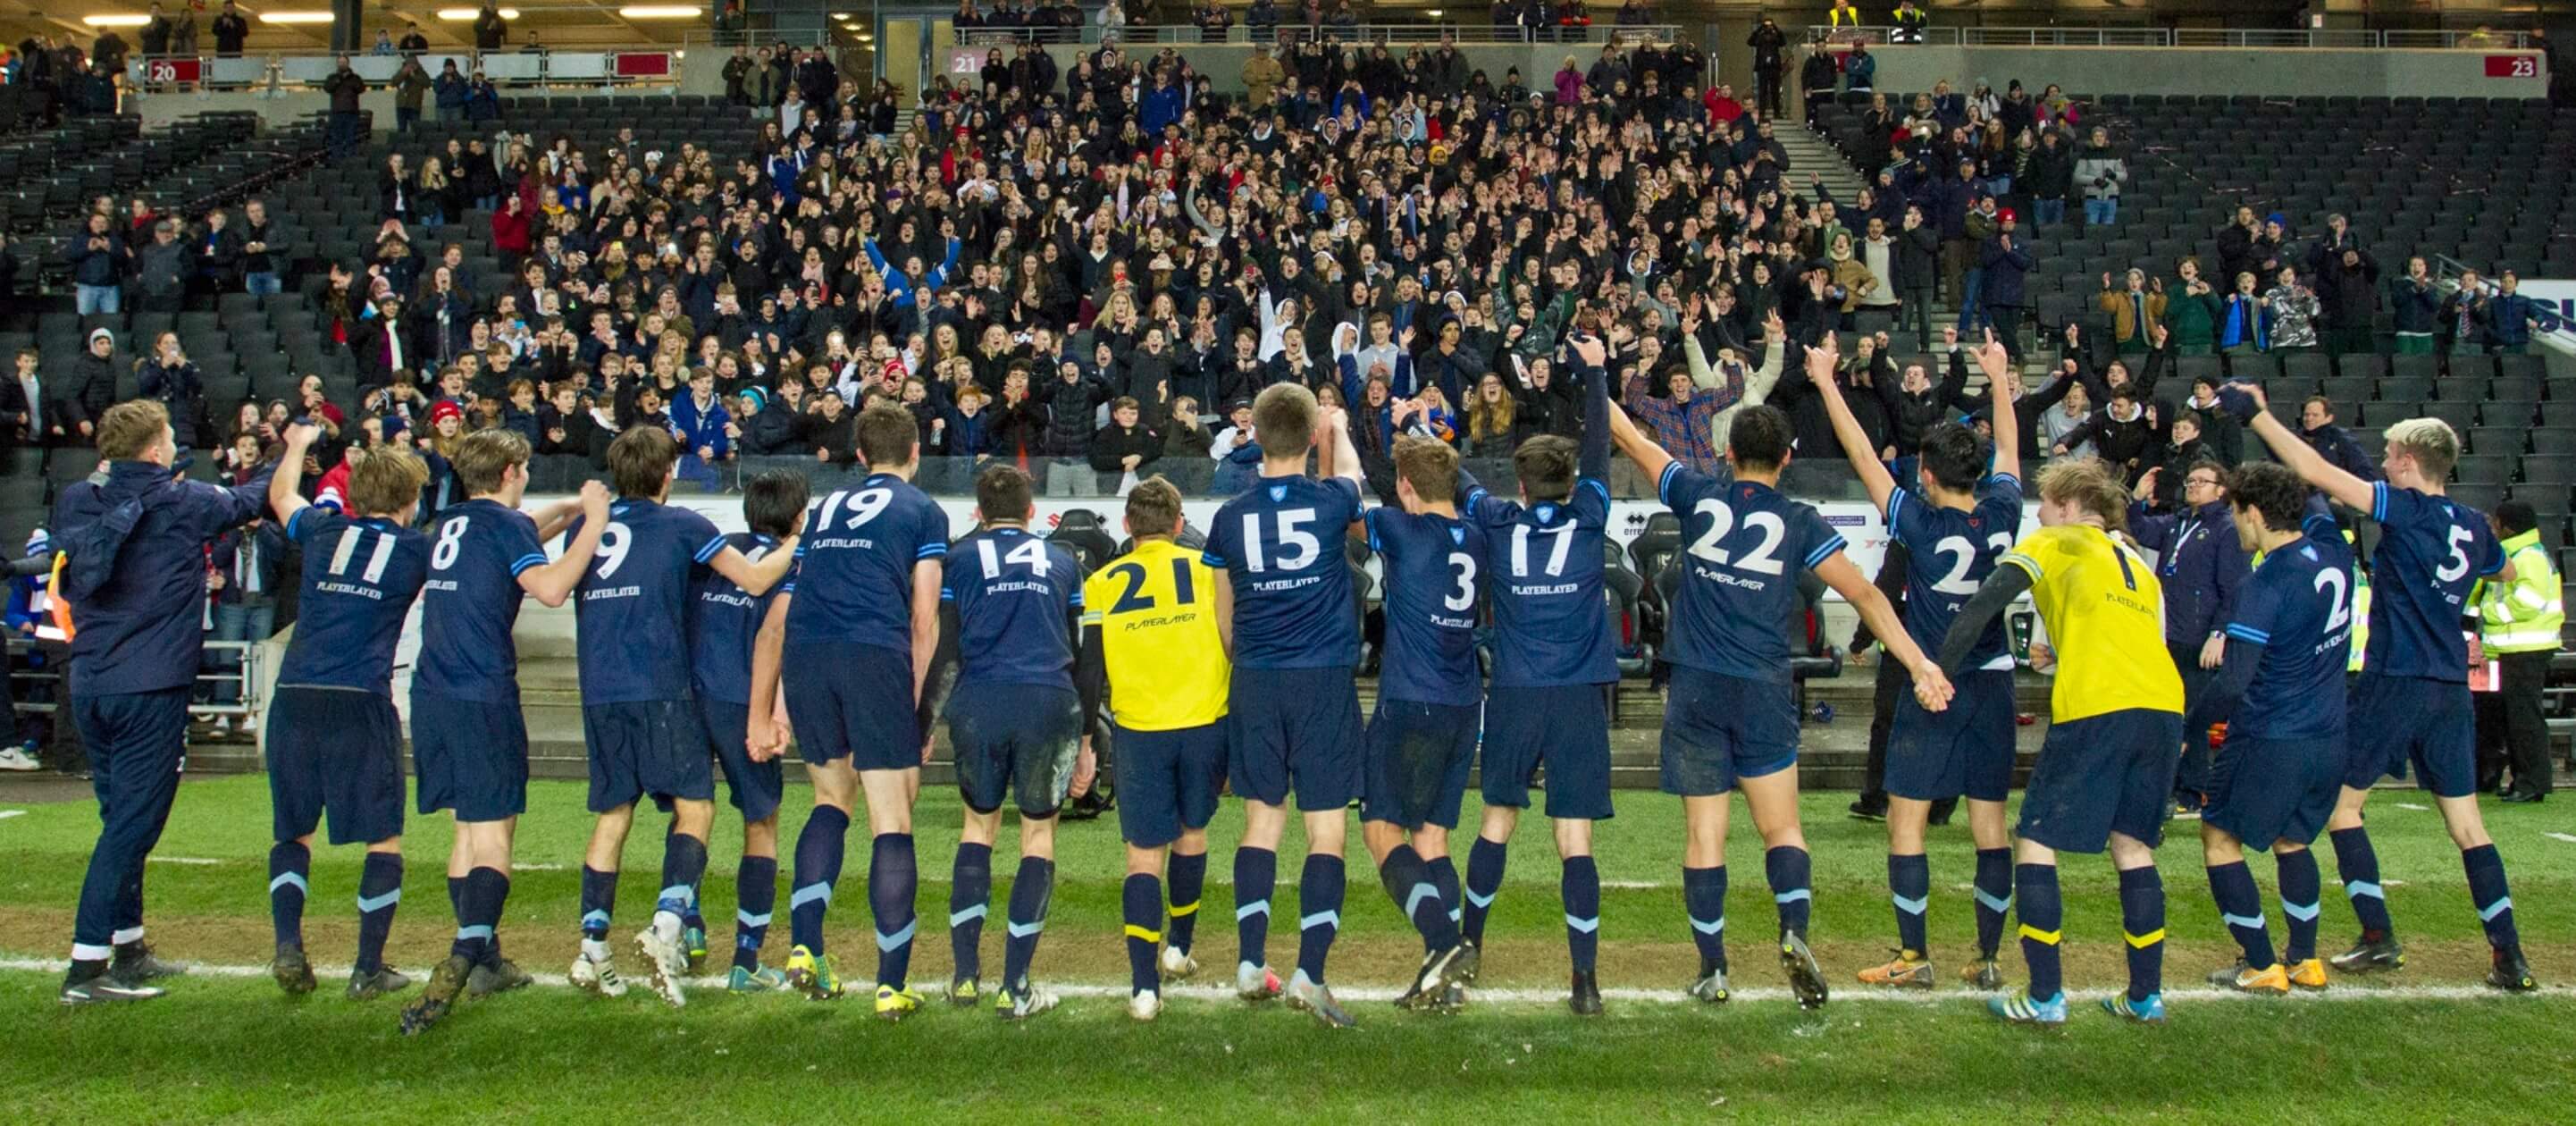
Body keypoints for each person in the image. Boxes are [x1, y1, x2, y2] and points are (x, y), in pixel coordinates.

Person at [1606, 334, 1952, 1012]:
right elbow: (1866, 595)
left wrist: (1594, 372)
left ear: (1727, 453)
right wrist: (1917, 662)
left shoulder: (1698, 495)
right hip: (1762, 686)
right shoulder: (1798, 519)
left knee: (1703, 834)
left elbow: (1629, 436)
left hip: (1697, 685)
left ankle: (1713, 968)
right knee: (1782, 830)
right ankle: (1793, 932)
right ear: (1787, 459)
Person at [2231, 384, 2536, 992]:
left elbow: (2316, 471)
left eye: (2391, 452)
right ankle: (2509, 957)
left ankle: (2377, 936)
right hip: (2450, 685)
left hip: (2395, 679)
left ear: (2409, 461)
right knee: (2468, 827)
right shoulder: (2473, 524)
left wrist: (2258, 415)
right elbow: (2501, 569)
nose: (2385, 458)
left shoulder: (2408, 508)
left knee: (2344, 810)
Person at [1812, 333, 2026, 993]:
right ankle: (1987, 958)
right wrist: (1997, 377)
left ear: (1925, 476)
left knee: (1906, 824)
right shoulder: (2003, 512)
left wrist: (1825, 381)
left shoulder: (1918, 523)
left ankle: (1914, 955)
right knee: (1990, 827)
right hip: (1991, 688)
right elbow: (2013, 453)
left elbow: (1857, 452)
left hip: (1930, 685)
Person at [1938, 457, 2185, 1025]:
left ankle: (2046, 994)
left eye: (2045, 505)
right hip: (2163, 706)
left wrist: (1939, 670)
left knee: (2036, 838)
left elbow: (1982, 605)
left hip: (2099, 704)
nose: (2040, 515)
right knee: (2132, 846)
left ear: (2070, 508)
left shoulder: (2055, 542)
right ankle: (2145, 996)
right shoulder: (2138, 565)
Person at [564, 427, 798, 1008]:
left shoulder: (587, 529)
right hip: (666, 688)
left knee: (614, 812)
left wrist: (580, 508)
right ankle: (672, 927)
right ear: (668, 473)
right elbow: (759, 582)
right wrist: (808, 541)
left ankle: (594, 944)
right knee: (703, 808)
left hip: (599, 689)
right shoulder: (686, 526)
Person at [53, 401, 276, 1004]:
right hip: (148, 688)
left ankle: (128, 946)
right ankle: (86, 966)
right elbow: (252, 500)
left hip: (91, 681)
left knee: (116, 818)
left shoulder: (78, 499)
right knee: (130, 827)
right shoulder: (183, 503)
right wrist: (289, 452)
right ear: (155, 450)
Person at [394, 431, 611, 1034]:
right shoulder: (505, 528)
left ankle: (485, 957)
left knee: (466, 832)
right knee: (493, 834)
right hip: (480, 692)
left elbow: (511, 541)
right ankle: (464, 957)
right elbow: (549, 588)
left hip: (431, 693)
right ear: (514, 470)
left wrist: (563, 511)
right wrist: (590, 521)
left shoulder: (451, 524)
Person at [746, 404, 949, 1016]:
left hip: (810, 656)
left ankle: (806, 947)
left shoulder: (828, 506)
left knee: (831, 801)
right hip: (873, 653)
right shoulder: (923, 510)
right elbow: (923, 617)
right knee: (892, 817)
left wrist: (774, 704)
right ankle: (890, 985)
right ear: (915, 453)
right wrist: (913, 711)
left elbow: (790, 603)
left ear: (859, 456)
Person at [1451, 331, 1618, 1015]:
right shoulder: (1589, 514)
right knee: (1573, 838)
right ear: (1570, 482)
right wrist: (1598, 376)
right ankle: (1583, 981)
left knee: (1495, 821)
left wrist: (1420, 431)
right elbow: (1602, 450)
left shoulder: (1495, 519)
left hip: (1516, 693)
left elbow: (1456, 482)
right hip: (1578, 697)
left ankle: (1468, 951)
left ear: (1518, 484)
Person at [1199, 382, 1367, 1027]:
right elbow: (1352, 477)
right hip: (1320, 678)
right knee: (1325, 829)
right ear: (1306, 438)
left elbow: (1224, 619)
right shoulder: (1328, 499)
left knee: (1260, 822)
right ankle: (1309, 976)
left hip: (1257, 677)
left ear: (1256, 438)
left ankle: (1248, 962)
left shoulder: (1228, 517)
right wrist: (1338, 431)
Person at [257, 425, 432, 1005]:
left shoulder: (326, 528)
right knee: (382, 838)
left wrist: (298, 444)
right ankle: (367, 966)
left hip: (296, 693)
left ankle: (288, 945)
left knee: (293, 832)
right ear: (410, 500)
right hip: (360, 699)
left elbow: (282, 497)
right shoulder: (415, 549)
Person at [914, 464, 1091, 1020]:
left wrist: (922, 722)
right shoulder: (1065, 562)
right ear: (1032, 510)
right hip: (1048, 700)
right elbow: (1083, 652)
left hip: (980, 699)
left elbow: (943, 648)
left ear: (978, 512)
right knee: (1037, 835)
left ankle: (965, 976)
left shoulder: (957, 559)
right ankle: (1016, 986)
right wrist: (1087, 739)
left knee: (978, 827)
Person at [2183, 462, 2351, 995]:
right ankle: (2304, 960)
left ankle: (2260, 964)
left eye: (2236, 513)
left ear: (2254, 513)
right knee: (2293, 839)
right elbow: (2319, 492)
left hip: (2272, 734)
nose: (2235, 525)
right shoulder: (2333, 548)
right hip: (2329, 736)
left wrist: (2188, 726)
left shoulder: (2265, 582)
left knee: (2219, 837)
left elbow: (2234, 681)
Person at [1077, 475, 1230, 1021]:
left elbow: (1089, 670)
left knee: (1143, 856)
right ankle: (1178, 949)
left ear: (1126, 526)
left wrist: (1085, 741)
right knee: (1192, 836)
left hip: (1140, 730)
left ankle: (1144, 989)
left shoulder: (1101, 582)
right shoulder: (1208, 571)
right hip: (1205, 723)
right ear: (1179, 522)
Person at [1354, 435, 1488, 1013]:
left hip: (1411, 700)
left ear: (1405, 488)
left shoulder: (1399, 528)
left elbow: (1350, 513)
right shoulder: (1479, 538)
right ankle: (1445, 982)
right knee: (1432, 838)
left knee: (1381, 832)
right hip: (1463, 703)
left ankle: (1442, 943)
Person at [665, 469, 810, 996]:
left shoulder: (715, 549)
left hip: (687, 694)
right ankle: (746, 958)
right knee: (761, 820)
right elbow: (777, 639)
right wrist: (771, 713)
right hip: (739, 699)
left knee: (691, 811)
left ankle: (688, 926)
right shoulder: (794, 562)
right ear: (798, 517)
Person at [2125, 461, 2248, 818]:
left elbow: (2235, 588)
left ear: (2221, 489)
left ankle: (2194, 791)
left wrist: (2220, 633)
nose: (2193, 486)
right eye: (2190, 480)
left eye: (2202, 481)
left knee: (2192, 714)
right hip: (2170, 633)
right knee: (2172, 711)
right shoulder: (2180, 521)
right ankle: (2176, 784)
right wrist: (2136, 498)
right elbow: (2141, 530)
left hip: (2199, 635)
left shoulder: (2225, 528)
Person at [2474, 499, 2559, 802]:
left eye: (2497, 523)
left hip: (2526, 648)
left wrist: (2489, 613)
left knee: (2525, 720)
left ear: (2508, 527)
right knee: (2517, 718)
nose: (2494, 529)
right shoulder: (2521, 554)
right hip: (2518, 649)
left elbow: (2529, 602)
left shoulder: (2528, 559)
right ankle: (2524, 781)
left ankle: (2532, 783)